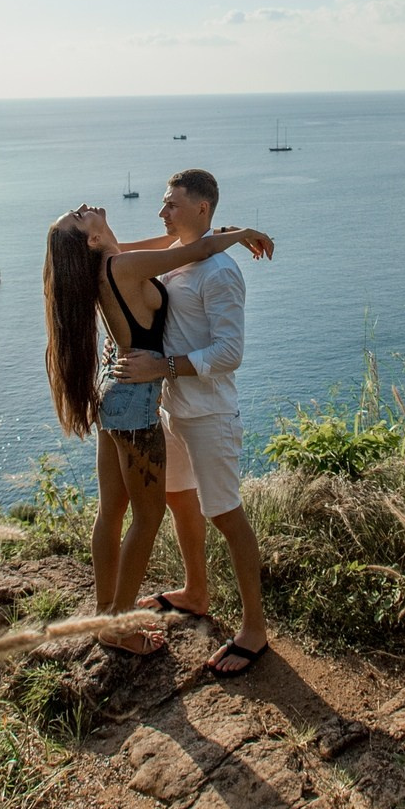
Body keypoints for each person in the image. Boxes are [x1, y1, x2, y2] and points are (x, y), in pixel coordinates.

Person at [42, 203, 271, 653]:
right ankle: (120, 628)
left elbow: (174, 245)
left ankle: (106, 609)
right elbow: (195, 249)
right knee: (147, 517)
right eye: (76, 217)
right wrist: (241, 232)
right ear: (89, 239)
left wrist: (222, 232)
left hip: (114, 391)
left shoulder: (111, 261)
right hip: (136, 402)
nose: (81, 208)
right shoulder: (123, 264)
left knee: (111, 511)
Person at [117, 169, 273, 677]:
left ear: (201, 208)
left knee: (226, 515)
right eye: (163, 203)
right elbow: (127, 266)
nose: (162, 212)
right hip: (174, 408)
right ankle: (196, 591)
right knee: (178, 499)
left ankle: (254, 630)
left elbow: (231, 352)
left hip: (209, 414)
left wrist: (161, 367)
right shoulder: (181, 261)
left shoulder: (220, 273)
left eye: (172, 205)